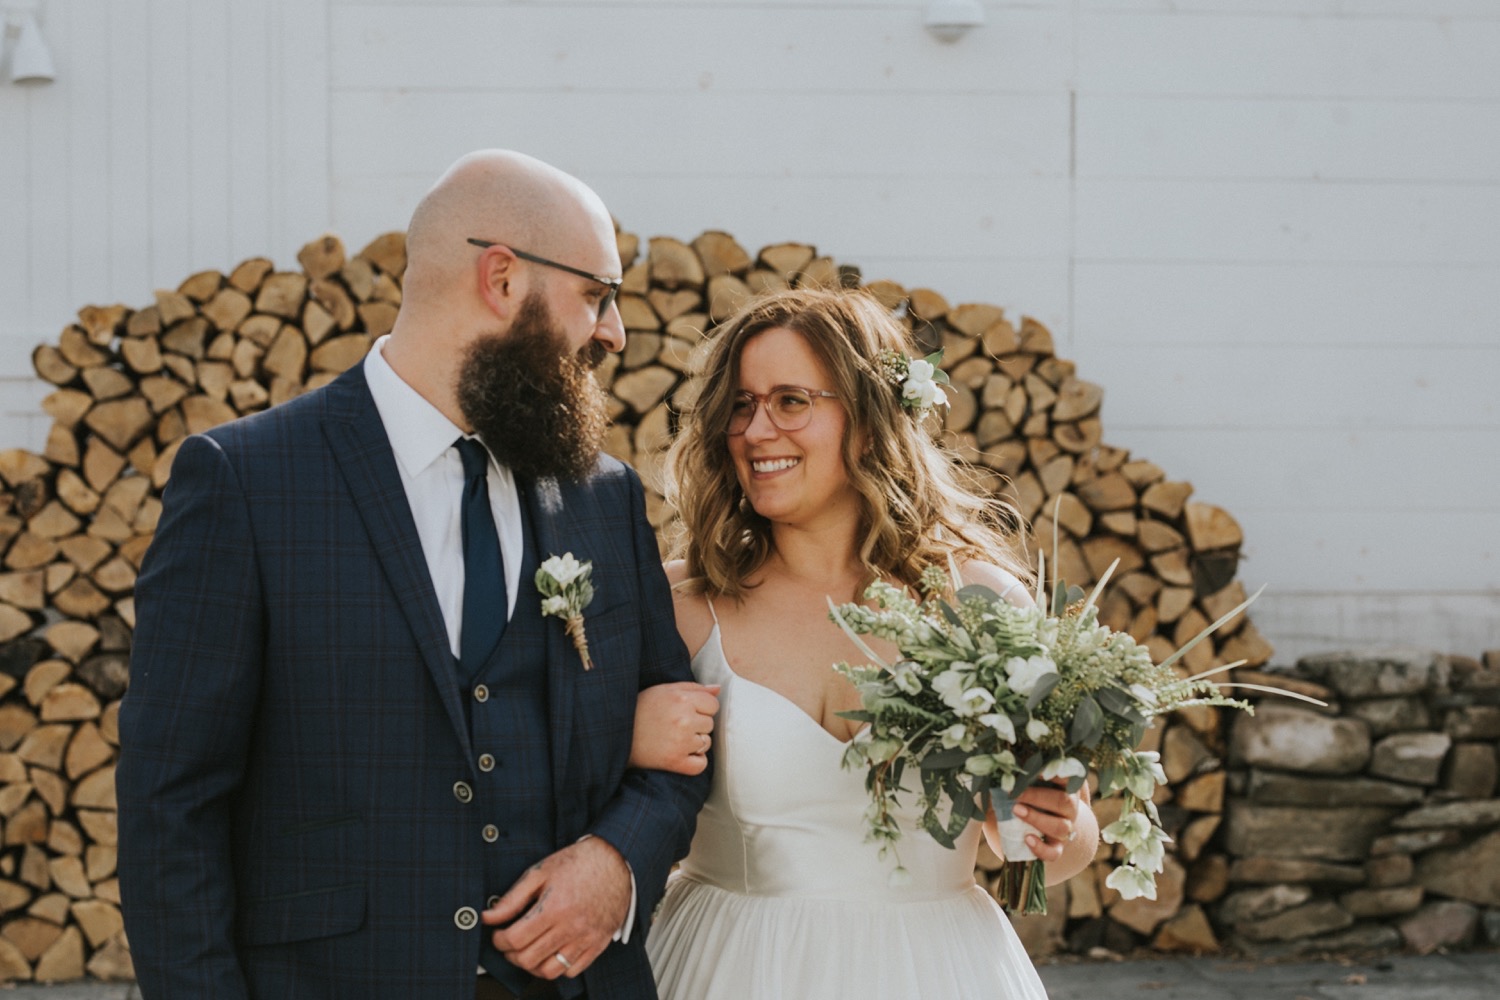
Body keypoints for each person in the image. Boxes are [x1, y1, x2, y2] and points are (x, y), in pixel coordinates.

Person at [116, 150, 714, 1000]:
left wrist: (618, 858)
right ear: (502, 279)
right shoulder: (246, 482)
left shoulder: (600, 495)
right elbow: (168, 806)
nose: (613, 332)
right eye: (597, 294)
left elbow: (678, 742)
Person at [634, 288, 1100, 998]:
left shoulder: (982, 605)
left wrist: (1050, 824)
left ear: (870, 419)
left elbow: (1054, 843)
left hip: (938, 970)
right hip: (728, 965)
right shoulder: (680, 606)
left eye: (791, 400)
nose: (757, 430)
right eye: (741, 404)